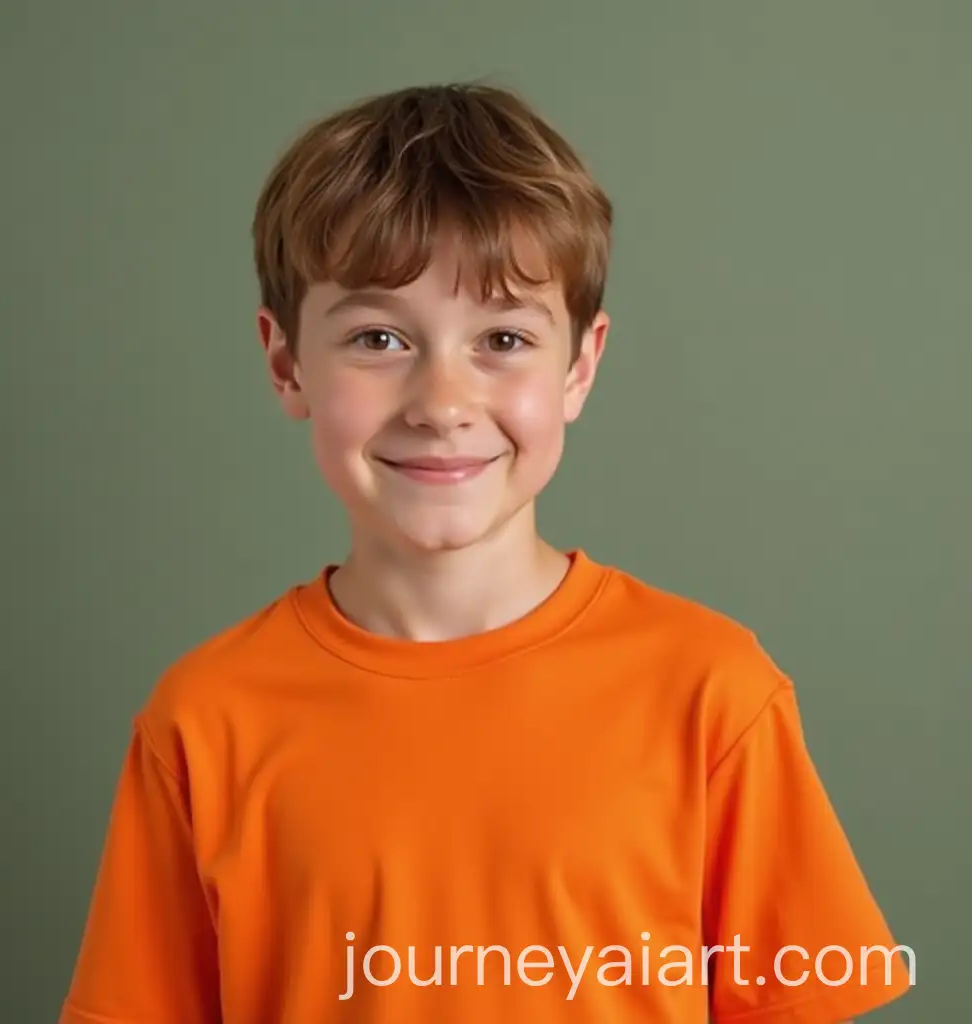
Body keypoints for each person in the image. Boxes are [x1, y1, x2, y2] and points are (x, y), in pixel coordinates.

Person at [58, 82, 912, 1024]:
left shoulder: (713, 695)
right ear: (286, 361)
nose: (442, 401)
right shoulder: (203, 722)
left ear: (580, 367)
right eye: (378, 337)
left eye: (503, 337)